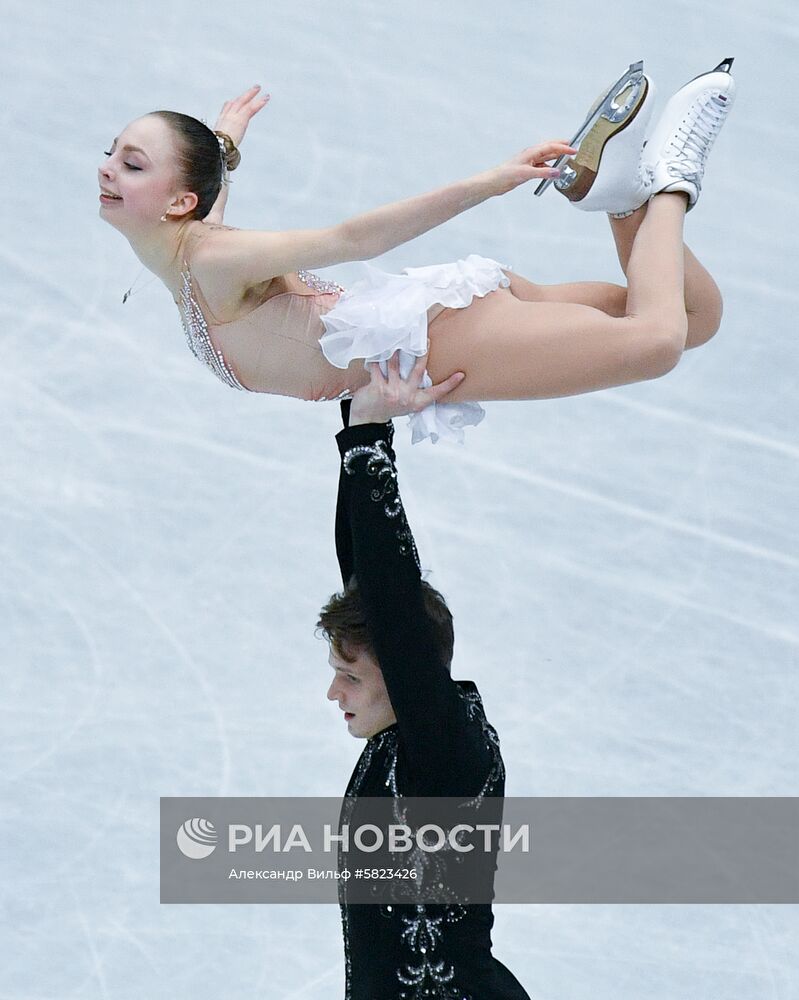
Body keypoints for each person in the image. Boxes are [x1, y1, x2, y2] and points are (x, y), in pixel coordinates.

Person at [98, 59, 735, 443]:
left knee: (656, 342)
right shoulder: (181, 246)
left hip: (433, 344)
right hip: (436, 318)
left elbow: (354, 239)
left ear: (180, 201)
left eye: (130, 164)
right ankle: (625, 198)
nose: (107, 172)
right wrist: (223, 147)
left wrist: (493, 179)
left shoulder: (208, 260)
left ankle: (674, 174)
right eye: (114, 155)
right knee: (694, 319)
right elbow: (211, 199)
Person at [316, 351, 530, 999]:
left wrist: (368, 444)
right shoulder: (414, 737)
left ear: (404, 669)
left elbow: (391, 598)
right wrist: (358, 424)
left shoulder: (444, 752)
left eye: (349, 676)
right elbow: (366, 581)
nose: (334, 693)